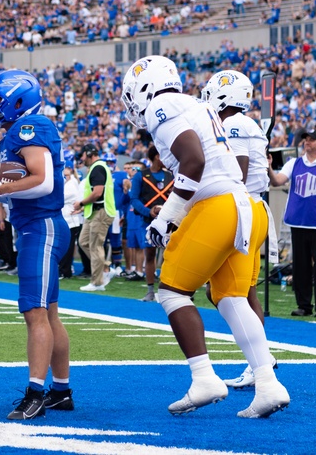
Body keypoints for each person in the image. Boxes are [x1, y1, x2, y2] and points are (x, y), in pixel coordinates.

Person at [122, 56, 288, 418]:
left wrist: (167, 217)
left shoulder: (162, 105)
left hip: (218, 206)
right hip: (248, 206)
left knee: (171, 291)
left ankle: (203, 378)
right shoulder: (195, 105)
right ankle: (268, 383)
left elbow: (193, 161)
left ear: (144, 86)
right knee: (230, 298)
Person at [0, 70, 73, 420]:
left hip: (42, 226)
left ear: (16, 99)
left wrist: (0, 189)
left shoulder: (29, 126)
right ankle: (61, 391)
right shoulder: (17, 132)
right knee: (48, 313)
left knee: (35, 312)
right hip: (38, 226)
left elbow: (44, 181)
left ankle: (35, 393)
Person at [201, 70, 279, 389]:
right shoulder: (242, 123)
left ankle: (260, 362)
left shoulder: (233, 124)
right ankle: (260, 362)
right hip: (252, 207)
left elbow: (239, 171)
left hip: (242, 209)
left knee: (223, 292)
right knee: (244, 292)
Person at [269, 129, 316, 318]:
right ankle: (303, 304)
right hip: (298, 220)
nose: (307, 142)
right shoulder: (294, 163)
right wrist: (268, 168)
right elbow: (277, 181)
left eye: (311, 140)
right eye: (305, 139)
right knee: (300, 265)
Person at [128, 145, 173, 301]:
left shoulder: (171, 176)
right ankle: (150, 290)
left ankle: (171, 290)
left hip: (170, 221)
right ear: (156, 156)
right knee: (150, 254)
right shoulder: (141, 176)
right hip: (148, 221)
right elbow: (134, 199)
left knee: (171, 255)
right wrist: (148, 211)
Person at [74, 144, 116, 292]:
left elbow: (98, 193)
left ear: (89, 153)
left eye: (83, 155)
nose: (82, 159)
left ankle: (97, 282)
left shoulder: (97, 168)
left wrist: (81, 203)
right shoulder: (97, 167)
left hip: (101, 212)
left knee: (95, 246)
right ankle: (105, 267)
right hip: (94, 212)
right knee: (84, 242)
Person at [58, 150, 83, 279]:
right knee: (65, 246)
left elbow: (61, 198)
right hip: (66, 218)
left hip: (71, 219)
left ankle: (65, 270)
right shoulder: (67, 182)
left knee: (67, 247)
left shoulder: (72, 184)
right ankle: (64, 269)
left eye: (66, 168)